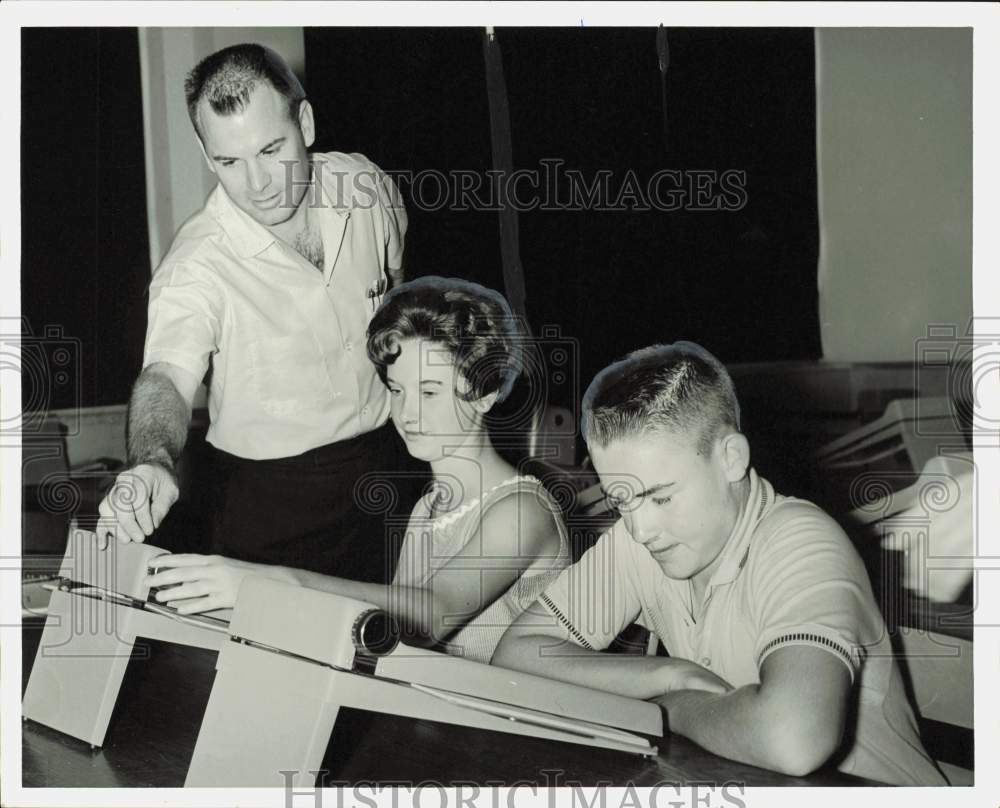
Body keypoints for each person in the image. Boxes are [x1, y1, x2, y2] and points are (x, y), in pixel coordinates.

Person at [493, 342, 946, 785]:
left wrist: (668, 704)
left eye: (662, 497)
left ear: (730, 458)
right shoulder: (646, 537)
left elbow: (793, 740)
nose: (638, 529)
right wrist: (662, 673)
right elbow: (516, 653)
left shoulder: (802, 542)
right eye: (620, 501)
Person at [97, 43, 416, 581]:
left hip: (391, 472)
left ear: (306, 123)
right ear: (207, 156)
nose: (258, 183)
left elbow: (400, 307)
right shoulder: (197, 264)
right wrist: (152, 460)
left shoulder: (368, 189)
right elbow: (166, 379)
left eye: (271, 150)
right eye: (229, 162)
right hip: (272, 510)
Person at [143, 277, 571, 662]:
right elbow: (399, 639)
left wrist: (268, 584)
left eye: (429, 390)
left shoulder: (520, 511)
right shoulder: (431, 505)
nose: (408, 413)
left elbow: (430, 614)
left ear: (485, 394)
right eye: (398, 390)